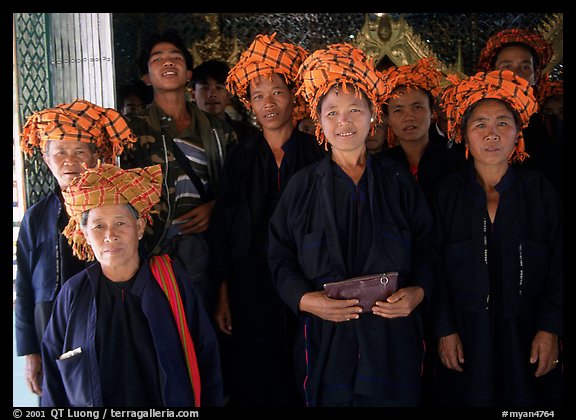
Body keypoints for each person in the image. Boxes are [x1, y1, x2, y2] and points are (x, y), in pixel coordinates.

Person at [268, 43, 434, 407]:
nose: (344, 122)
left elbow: (427, 248)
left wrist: (418, 292)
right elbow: (279, 257)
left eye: (355, 110)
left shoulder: (398, 181)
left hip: (392, 338)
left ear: (374, 115)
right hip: (326, 338)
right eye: (333, 113)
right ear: (319, 121)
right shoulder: (302, 187)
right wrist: (305, 299)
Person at [41, 163, 224, 407]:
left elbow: (206, 354)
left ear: (139, 228)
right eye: (98, 226)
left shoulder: (171, 282)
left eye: (120, 223)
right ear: (84, 234)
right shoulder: (73, 294)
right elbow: (54, 379)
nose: (110, 235)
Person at [431, 69, 563, 407]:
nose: (492, 135)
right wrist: (444, 329)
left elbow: (560, 265)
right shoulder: (447, 195)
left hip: (528, 333)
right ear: (464, 136)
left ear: (518, 134)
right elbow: (431, 265)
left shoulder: (539, 191)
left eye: (503, 124)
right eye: (480, 125)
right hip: (465, 336)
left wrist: (550, 328)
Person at [209, 32, 325, 407]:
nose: (268, 103)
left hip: (310, 279)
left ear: (294, 96)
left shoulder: (318, 154)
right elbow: (223, 231)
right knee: (256, 372)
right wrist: (223, 293)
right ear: (249, 105)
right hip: (251, 284)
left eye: (276, 92)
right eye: (258, 96)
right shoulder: (240, 157)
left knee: (308, 367)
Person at [15, 99, 136, 402]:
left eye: (80, 152)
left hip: (107, 324)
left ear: (96, 157)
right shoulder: (38, 216)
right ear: (45, 158)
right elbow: (25, 287)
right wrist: (30, 351)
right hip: (50, 332)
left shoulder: (115, 209)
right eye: (60, 153)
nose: (69, 161)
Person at [120, 30, 237, 306]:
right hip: (152, 254)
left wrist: (214, 207)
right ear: (146, 77)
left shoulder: (220, 131)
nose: (168, 62)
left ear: (187, 74)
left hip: (208, 252)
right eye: (158, 58)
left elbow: (237, 190)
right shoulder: (129, 131)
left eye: (176, 57)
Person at [476, 28, 562, 197]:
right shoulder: (475, 123)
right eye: (507, 66)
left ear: (535, 75)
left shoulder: (551, 125)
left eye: (525, 66)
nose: (515, 73)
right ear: (492, 73)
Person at [381, 57, 466, 205]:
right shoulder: (379, 167)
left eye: (417, 107)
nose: (409, 117)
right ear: (388, 119)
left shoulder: (456, 164)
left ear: (432, 112)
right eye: (398, 110)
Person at [190, 58, 259, 142]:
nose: (212, 94)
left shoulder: (248, 135)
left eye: (219, 87)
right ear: (193, 95)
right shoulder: (184, 133)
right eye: (205, 88)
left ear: (229, 93)